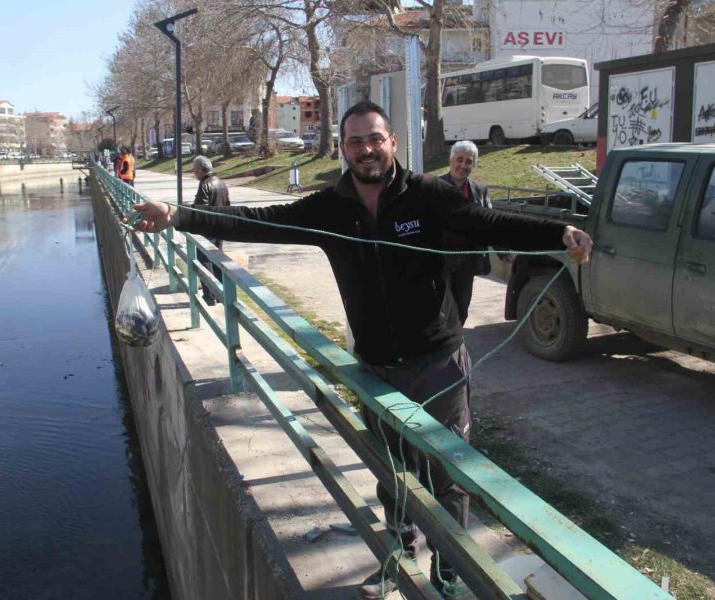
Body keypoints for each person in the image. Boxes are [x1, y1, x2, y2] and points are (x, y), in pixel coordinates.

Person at [130, 100, 592, 598]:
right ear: (343, 148)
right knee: (392, 470)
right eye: (355, 141)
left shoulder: (427, 195)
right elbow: (256, 220)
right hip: (375, 369)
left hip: (438, 364)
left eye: (375, 138)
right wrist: (178, 215)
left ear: (392, 142)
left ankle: (449, 569)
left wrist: (557, 232)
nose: (366, 149)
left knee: (446, 476)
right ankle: (397, 555)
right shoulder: (331, 207)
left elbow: (490, 222)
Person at [440, 141, 492, 325]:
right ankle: (444, 348)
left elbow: (490, 223)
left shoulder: (480, 190)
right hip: (440, 259)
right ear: (451, 160)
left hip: (467, 259)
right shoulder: (434, 187)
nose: (463, 166)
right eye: (459, 160)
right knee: (442, 308)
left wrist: (503, 251)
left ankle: (457, 345)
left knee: (462, 306)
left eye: (468, 162)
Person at [191, 155, 230, 305]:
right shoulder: (221, 183)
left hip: (207, 229)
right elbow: (227, 205)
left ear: (201, 169)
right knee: (218, 261)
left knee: (205, 261)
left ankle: (209, 295)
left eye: (195, 170)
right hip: (220, 227)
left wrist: (192, 211)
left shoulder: (205, 184)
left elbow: (201, 208)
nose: (194, 173)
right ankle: (222, 294)